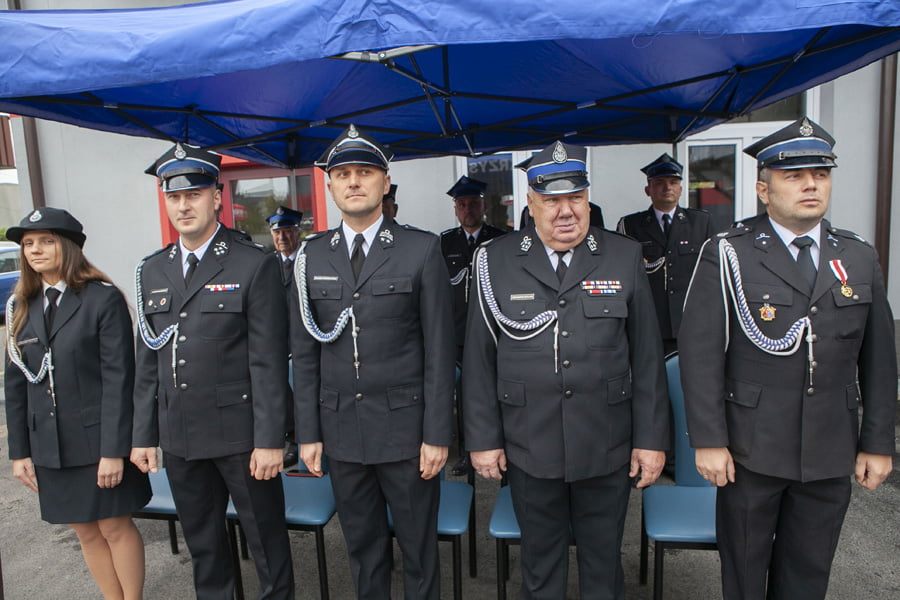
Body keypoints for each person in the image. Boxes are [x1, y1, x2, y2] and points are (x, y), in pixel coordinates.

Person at [679, 117, 897, 600]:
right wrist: (709, 440)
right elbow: (700, 354)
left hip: (829, 449)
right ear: (764, 189)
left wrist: (878, 443)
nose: (811, 185)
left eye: (820, 174)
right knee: (744, 576)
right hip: (750, 451)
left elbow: (880, 359)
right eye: (794, 176)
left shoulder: (857, 256)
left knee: (808, 577)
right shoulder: (729, 252)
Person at [463, 140, 670, 599]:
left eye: (575, 198)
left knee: (603, 565)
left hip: (606, 442)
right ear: (531, 203)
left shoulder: (622, 255)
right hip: (529, 442)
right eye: (551, 200)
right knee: (539, 567)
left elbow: (647, 359)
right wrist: (483, 439)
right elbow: (479, 358)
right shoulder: (495, 259)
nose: (565, 211)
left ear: (588, 199)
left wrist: (651, 440)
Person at [291, 125, 455, 599]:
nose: (354, 182)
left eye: (364, 172)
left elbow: (440, 351)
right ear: (330, 186)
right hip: (342, 430)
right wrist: (308, 433)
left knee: (419, 551)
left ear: (385, 183)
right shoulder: (310, 255)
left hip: (407, 433)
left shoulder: (420, 249)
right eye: (343, 174)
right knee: (363, 550)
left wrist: (437, 434)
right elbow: (305, 354)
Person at [131, 143, 294, 599]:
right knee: (204, 548)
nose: (183, 206)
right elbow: (148, 360)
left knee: (266, 543)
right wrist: (143, 435)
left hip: (242, 437)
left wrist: (270, 440)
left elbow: (267, 362)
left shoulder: (252, 263)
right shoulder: (152, 270)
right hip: (181, 436)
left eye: (194, 194)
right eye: (174, 197)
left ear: (216, 197)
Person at [4, 207, 150, 600]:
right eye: (28, 244)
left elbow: (120, 380)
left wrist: (113, 452)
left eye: (46, 241)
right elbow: (16, 384)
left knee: (114, 527)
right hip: (51, 445)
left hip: (99, 441)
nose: (35, 250)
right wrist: (20, 452)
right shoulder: (22, 306)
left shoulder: (101, 299)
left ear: (69, 246)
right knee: (84, 530)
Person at [439, 175, 505, 475]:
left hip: (493, 330)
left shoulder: (501, 240)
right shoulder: (444, 242)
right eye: (462, 204)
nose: (468, 209)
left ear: (484, 206)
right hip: (457, 332)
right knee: (465, 395)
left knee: (497, 392)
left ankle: (502, 446)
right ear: (456, 209)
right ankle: (468, 451)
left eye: (473, 204)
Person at [616, 153, 713, 355]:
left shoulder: (701, 222)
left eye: (673, 182)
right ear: (648, 190)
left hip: (690, 321)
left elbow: (712, 274)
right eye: (659, 183)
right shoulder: (631, 225)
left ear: (681, 189)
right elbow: (623, 276)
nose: (667, 188)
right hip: (649, 322)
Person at [266, 205, 304, 469]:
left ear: (297, 232)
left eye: (287, 231)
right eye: (277, 232)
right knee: (283, 393)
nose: (282, 237)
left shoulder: (307, 260)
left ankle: (307, 440)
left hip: (303, 340)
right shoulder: (266, 264)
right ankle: (292, 438)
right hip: (277, 341)